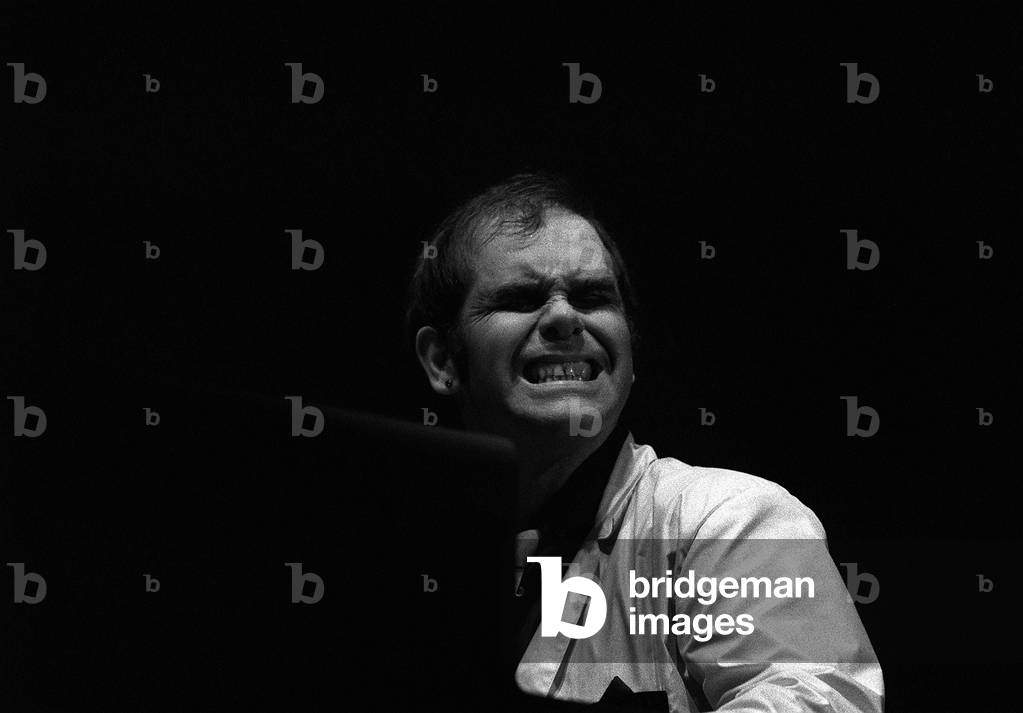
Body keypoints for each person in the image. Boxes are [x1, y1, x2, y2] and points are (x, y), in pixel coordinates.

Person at [406, 173, 884, 712]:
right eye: (522, 297)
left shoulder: (725, 518)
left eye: (592, 297)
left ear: (629, 357)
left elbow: (821, 702)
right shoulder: (390, 549)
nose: (565, 317)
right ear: (443, 361)